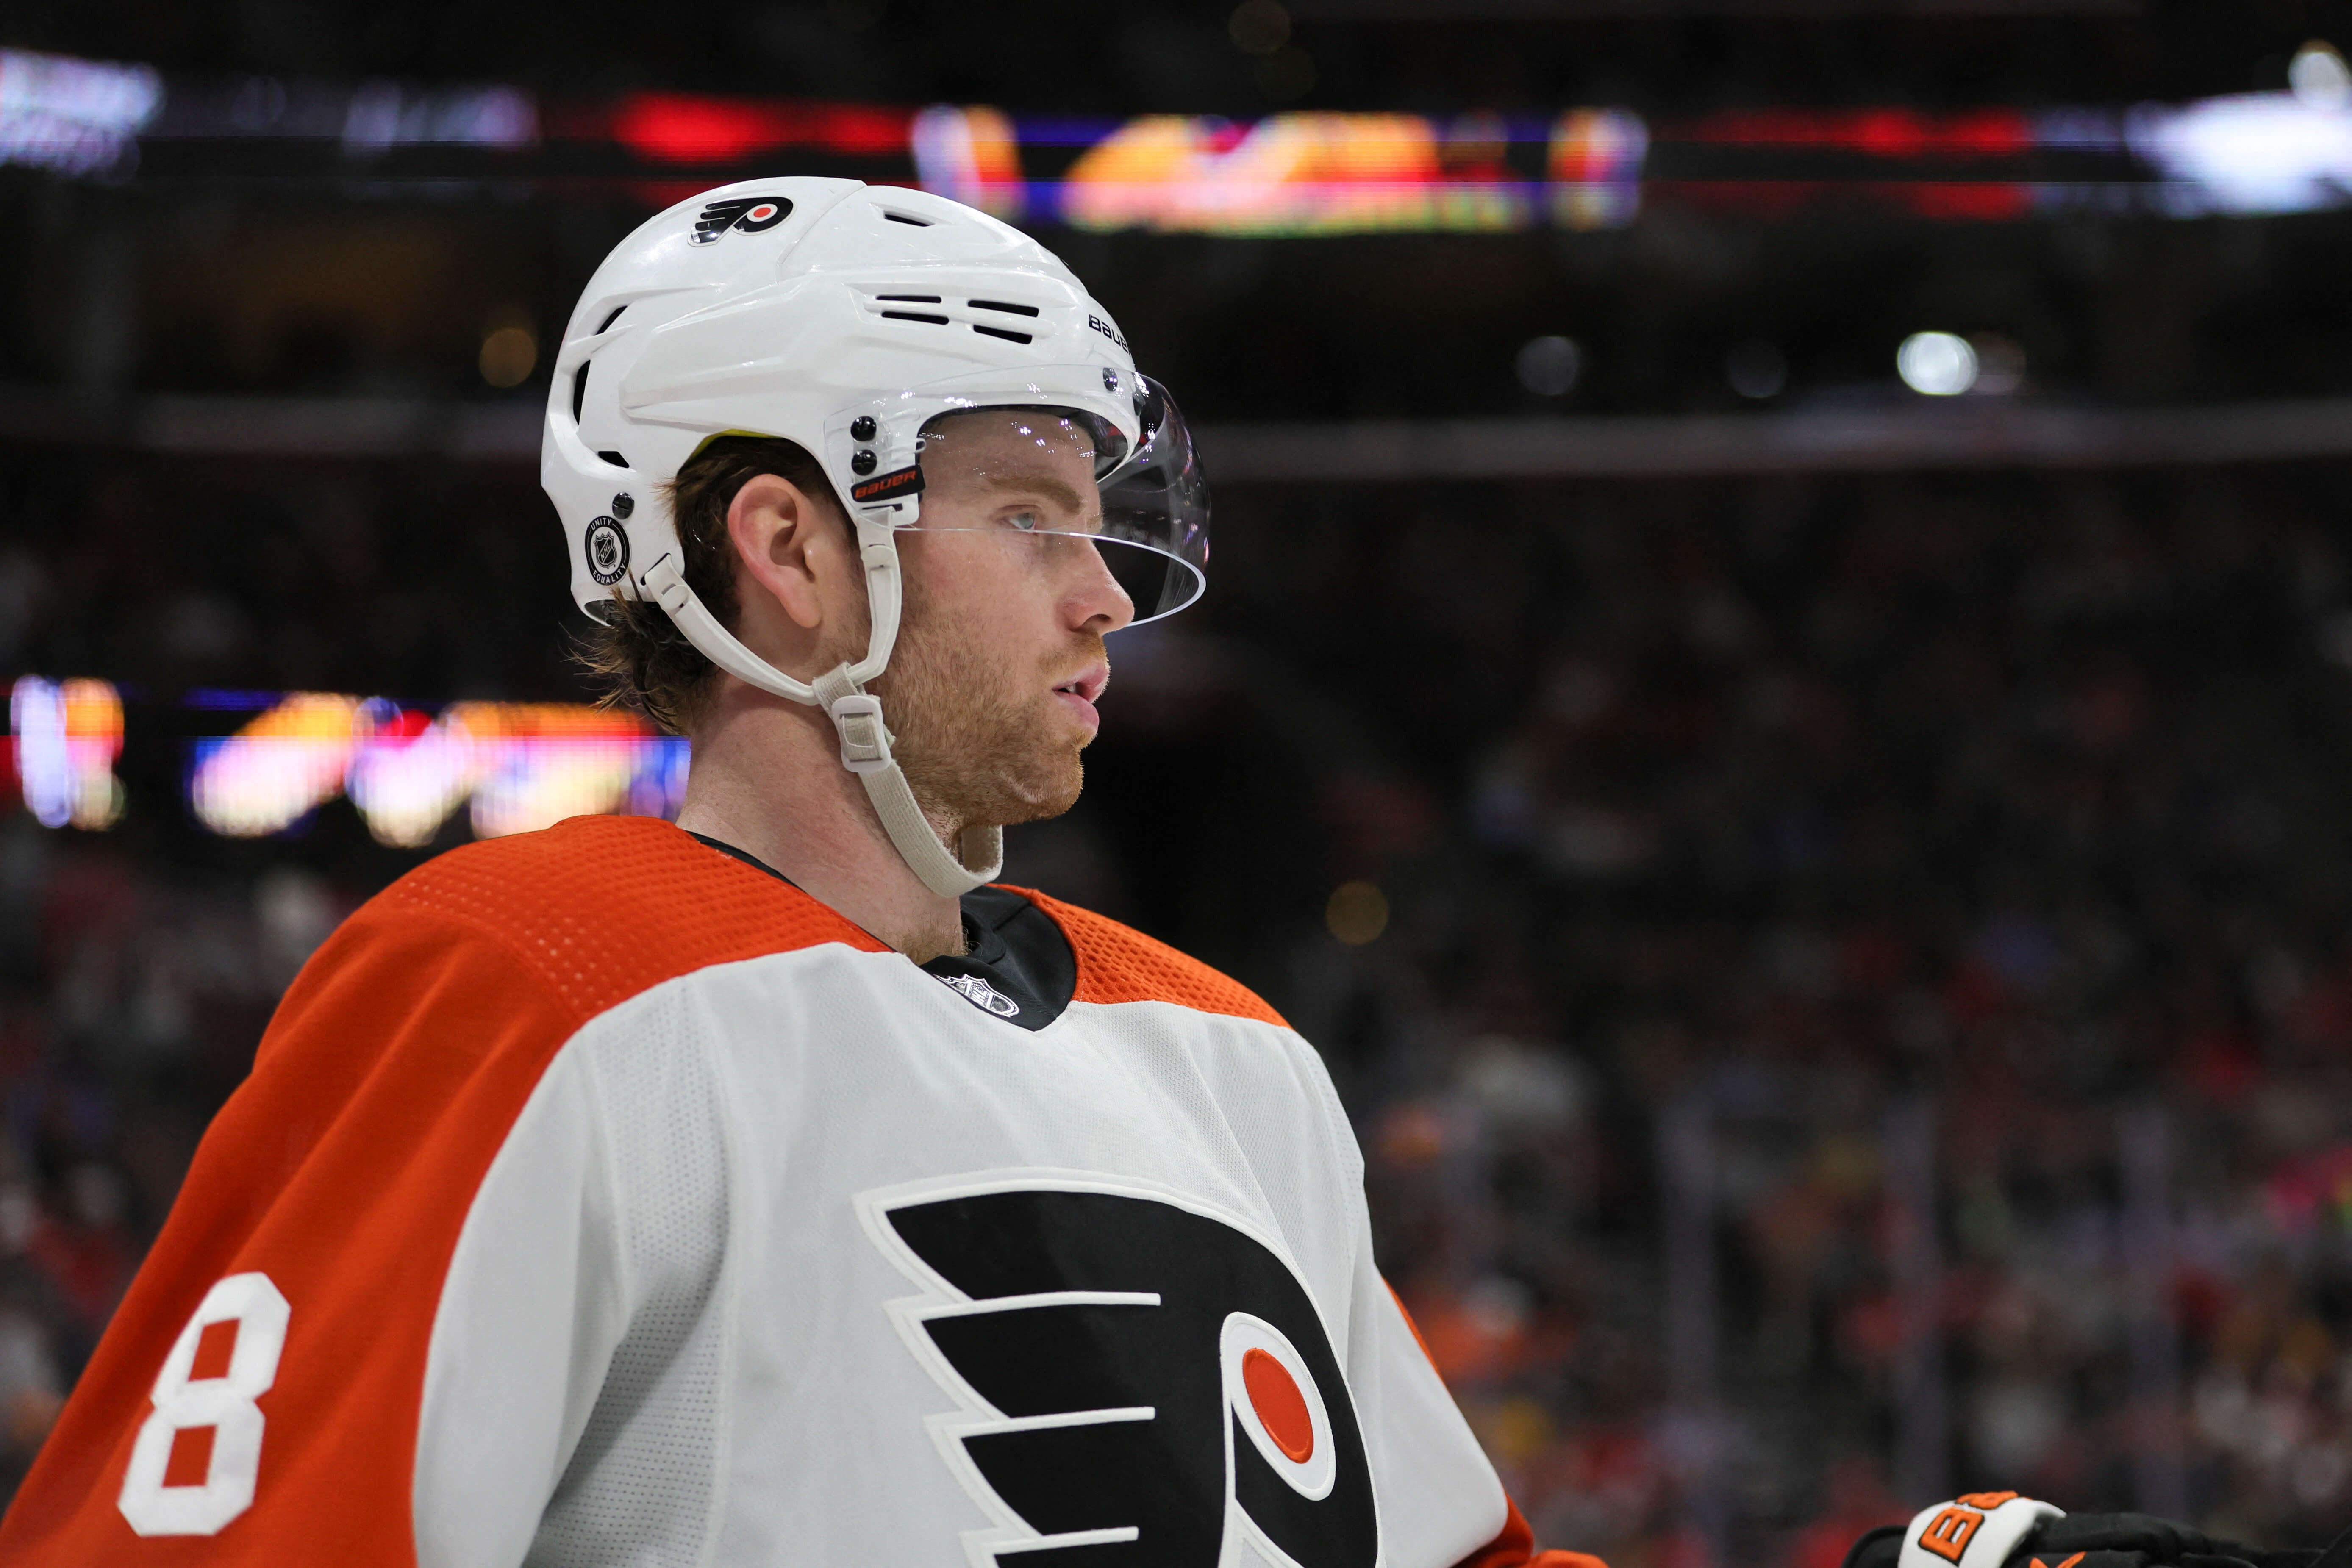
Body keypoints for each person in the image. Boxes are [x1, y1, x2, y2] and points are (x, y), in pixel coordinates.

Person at [0, 178, 1604, 1567]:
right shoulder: (534, 982)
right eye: (1030, 517)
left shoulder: (1233, 1058)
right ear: (789, 549)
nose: (1104, 595)